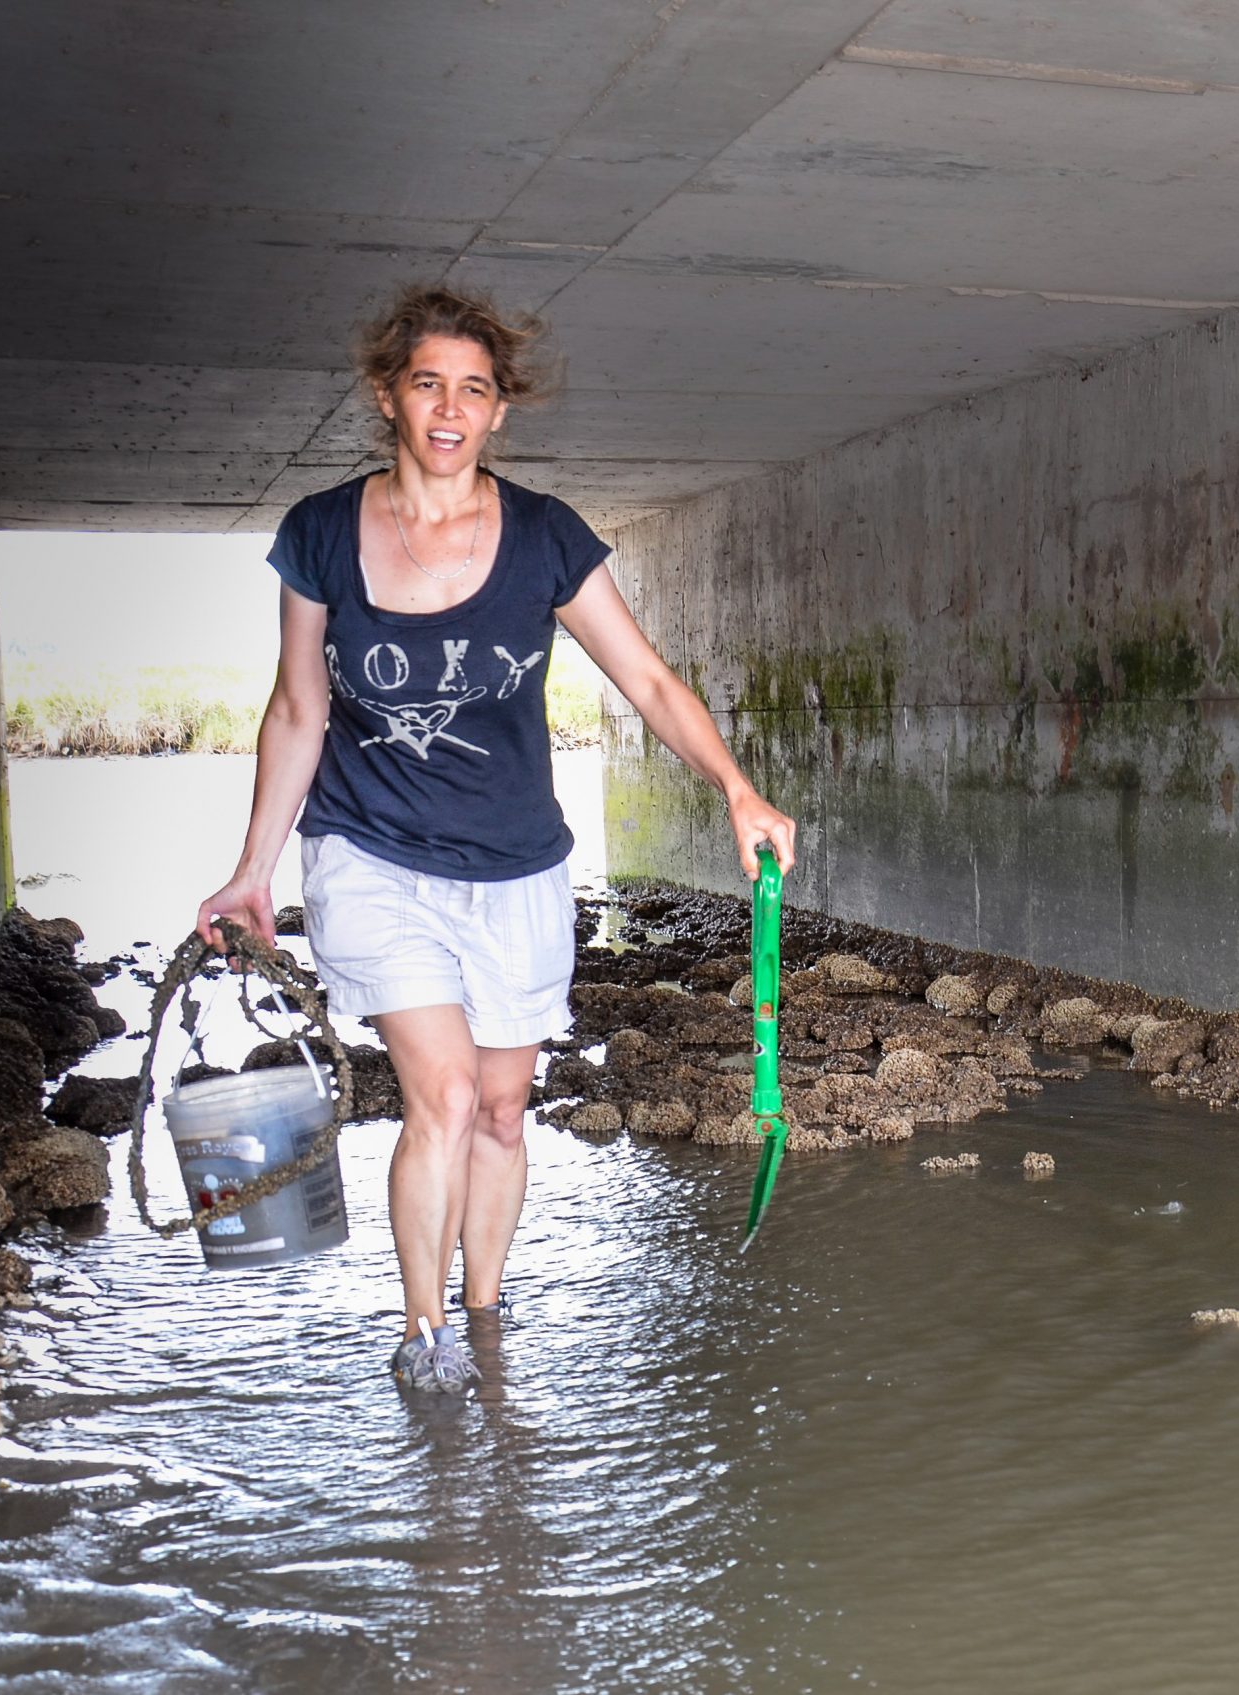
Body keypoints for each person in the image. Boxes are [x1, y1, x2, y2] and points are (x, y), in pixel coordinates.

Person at [195, 284, 795, 1396]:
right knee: (447, 1096)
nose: (451, 408)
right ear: (389, 396)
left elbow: (650, 682)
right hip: (368, 853)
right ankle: (423, 1333)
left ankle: (484, 1312)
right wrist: (252, 870)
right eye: (428, 383)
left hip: (517, 860)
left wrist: (735, 789)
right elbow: (297, 711)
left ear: (498, 412)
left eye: (474, 389)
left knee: (507, 1112)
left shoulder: (547, 538)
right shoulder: (321, 534)